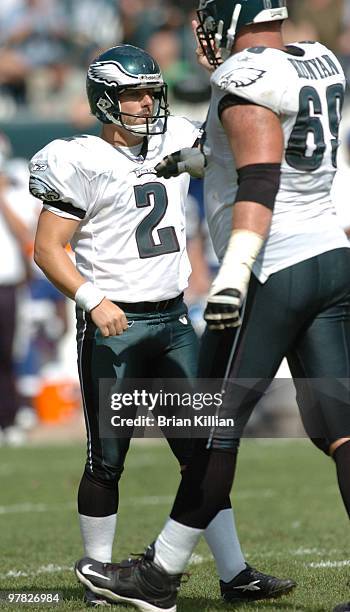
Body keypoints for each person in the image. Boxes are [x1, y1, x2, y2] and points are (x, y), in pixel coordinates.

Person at [74, 1, 350, 610]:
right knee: (341, 429)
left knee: (211, 426)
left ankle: (159, 577)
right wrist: (193, 159)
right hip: (331, 254)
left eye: (208, 17)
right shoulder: (319, 60)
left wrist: (234, 273)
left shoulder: (244, 77)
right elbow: (261, 146)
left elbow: (260, 175)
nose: (200, 32)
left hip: (274, 263)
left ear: (230, 18)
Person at [31, 43, 293, 607]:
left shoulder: (179, 137)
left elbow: (236, 143)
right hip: (115, 324)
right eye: (133, 93)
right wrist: (93, 299)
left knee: (202, 451)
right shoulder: (78, 159)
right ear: (106, 100)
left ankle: (234, 573)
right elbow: (48, 249)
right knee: (107, 458)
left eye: (152, 90)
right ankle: (99, 577)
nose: (148, 101)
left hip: (173, 318)